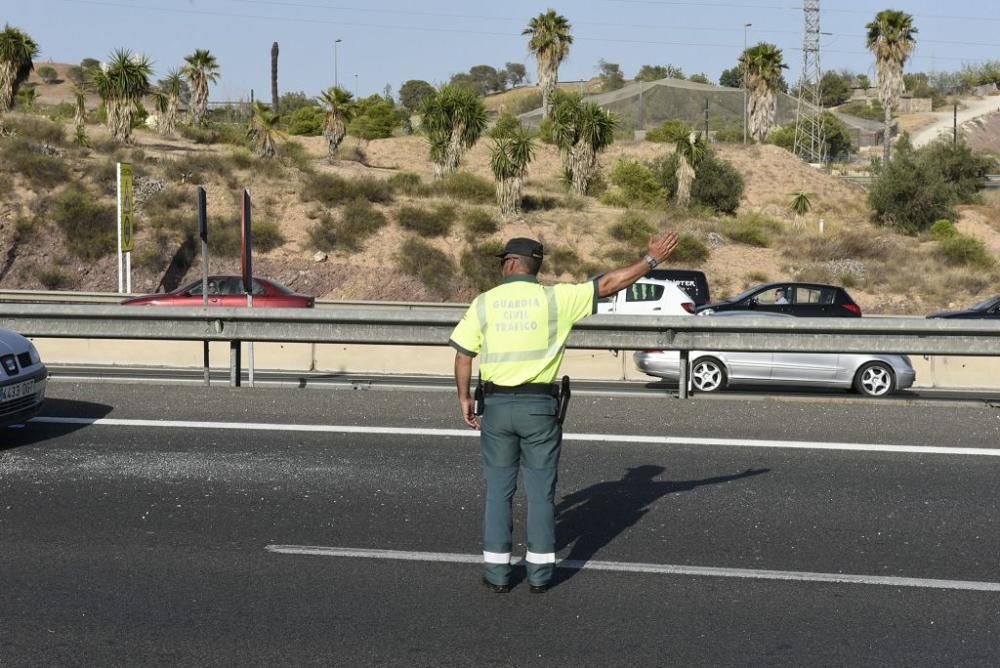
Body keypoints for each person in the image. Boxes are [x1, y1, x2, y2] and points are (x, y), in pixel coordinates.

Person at [449, 231, 679, 594]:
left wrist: (464, 398)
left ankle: (497, 574)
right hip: (539, 409)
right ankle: (540, 576)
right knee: (541, 493)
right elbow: (608, 284)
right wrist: (651, 260)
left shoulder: (485, 303)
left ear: (510, 263)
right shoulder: (558, 299)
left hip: (495, 407)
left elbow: (463, 354)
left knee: (499, 491)